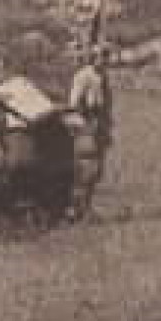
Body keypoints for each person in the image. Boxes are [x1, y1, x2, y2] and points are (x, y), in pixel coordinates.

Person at [67, 43, 114, 220]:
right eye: (101, 56)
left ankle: (87, 206)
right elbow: (74, 103)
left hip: (100, 126)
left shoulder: (103, 77)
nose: (104, 60)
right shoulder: (83, 76)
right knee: (86, 168)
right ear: (93, 58)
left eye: (106, 57)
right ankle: (76, 208)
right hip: (87, 126)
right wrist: (82, 123)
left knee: (97, 170)